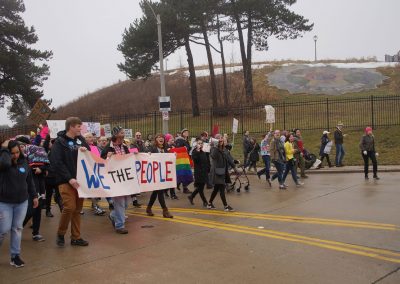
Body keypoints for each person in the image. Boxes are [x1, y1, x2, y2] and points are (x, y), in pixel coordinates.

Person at [50, 117, 90, 247]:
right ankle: (61, 234)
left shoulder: (81, 140)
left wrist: (85, 149)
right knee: (69, 207)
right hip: (65, 180)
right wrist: (69, 178)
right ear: (71, 126)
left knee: (77, 209)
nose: (80, 128)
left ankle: (76, 237)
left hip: (80, 180)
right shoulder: (60, 142)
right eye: (79, 126)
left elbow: (90, 153)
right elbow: (57, 162)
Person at [1, 140, 38, 267]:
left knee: (17, 229)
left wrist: (34, 196)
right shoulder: (3, 163)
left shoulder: (24, 161)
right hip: (4, 202)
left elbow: (29, 180)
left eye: (17, 152)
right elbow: (5, 163)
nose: (15, 155)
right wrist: (4, 149)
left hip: (21, 202)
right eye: (12, 153)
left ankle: (15, 256)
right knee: (3, 230)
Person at [101, 126, 136, 234]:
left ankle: (112, 215)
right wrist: (107, 157)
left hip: (125, 179)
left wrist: (134, 155)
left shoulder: (124, 147)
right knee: (120, 203)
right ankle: (119, 226)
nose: (123, 134)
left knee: (125, 204)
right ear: (115, 135)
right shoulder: (107, 148)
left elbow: (128, 160)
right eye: (121, 132)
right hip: (114, 180)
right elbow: (101, 164)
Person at [15, 136, 49, 242]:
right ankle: (17, 228)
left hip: (39, 186)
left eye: (22, 145)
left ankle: (36, 233)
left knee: (38, 210)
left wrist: (41, 169)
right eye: (19, 145)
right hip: (25, 187)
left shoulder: (37, 154)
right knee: (30, 210)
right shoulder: (16, 158)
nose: (21, 148)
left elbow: (47, 167)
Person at [145, 134, 173, 218]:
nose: (161, 139)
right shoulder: (152, 149)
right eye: (158, 137)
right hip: (155, 174)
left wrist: (173, 156)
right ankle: (165, 210)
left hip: (163, 174)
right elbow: (146, 157)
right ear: (156, 140)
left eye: (162, 138)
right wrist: (148, 155)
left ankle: (149, 208)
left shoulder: (165, 149)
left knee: (155, 192)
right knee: (160, 191)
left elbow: (168, 159)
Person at [207, 134, 234, 212]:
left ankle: (209, 204)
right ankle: (226, 206)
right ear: (216, 141)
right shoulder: (214, 149)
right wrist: (215, 146)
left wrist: (233, 162)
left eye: (221, 139)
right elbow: (214, 156)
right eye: (219, 139)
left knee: (216, 189)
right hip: (217, 172)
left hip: (222, 171)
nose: (221, 140)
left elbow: (227, 158)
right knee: (222, 189)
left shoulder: (222, 149)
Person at [83, 132, 106, 216]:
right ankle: (94, 207)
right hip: (85, 171)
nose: (91, 138)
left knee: (95, 189)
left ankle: (95, 205)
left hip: (95, 170)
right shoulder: (82, 148)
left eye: (92, 137)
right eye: (88, 137)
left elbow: (98, 158)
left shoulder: (94, 148)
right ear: (84, 139)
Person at [43, 135, 63, 217]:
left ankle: (62, 209)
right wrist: (48, 135)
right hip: (49, 178)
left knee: (59, 195)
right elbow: (45, 145)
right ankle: (48, 210)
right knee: (48, 195)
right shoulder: (47, 152)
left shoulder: (61, 153)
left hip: (58, 177)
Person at [188, 137, 210, 207]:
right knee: (201, 189)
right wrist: (197, 150)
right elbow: (195, 159)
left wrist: (208, 168)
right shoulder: (194, 151)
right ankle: (205, 202)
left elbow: (206, 161)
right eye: (199, 143)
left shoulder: (203, 151)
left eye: (201, 143)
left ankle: (191, 196)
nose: (200, 144)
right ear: (196, 144)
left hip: (204, 172)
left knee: (200, 187)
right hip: (199, 173)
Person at [175, 128, 192, 194]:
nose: (187, 133)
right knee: (184, 173)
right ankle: (185, 188)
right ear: (183, 133)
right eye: (186, 132)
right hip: (181, 159)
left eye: (188, 132)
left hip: (186, 158)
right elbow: (178, 149)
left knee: (183, 173)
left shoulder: (186, 140)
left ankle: (178, 183)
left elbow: (188, 148)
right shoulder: (180, 140)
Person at [164, 134, 178, 199]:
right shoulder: (165, 146)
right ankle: (165, 190)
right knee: (168, 180)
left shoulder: (174, 145)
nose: (172, 139)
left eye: (173, 137)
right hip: (166, 165)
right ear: (167, 139)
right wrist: (168, 150)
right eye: (171, 138)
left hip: (173, 164)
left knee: (172, 179)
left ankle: (173, 194)